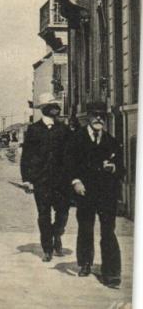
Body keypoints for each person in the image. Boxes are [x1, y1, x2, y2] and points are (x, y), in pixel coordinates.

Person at [66, 102, 124, 287]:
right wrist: (76, 181)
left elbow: (122, 169)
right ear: (88, 117)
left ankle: (112, 272)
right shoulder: (76, 139)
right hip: (85, 192)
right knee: (85, 228)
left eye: (102, 115)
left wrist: (115, 167)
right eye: (95, 115)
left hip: (106, 193)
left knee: (108, 231)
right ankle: (85, 263)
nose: (99, 118)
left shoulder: (111, 141)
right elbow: (68, 165)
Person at [20, 93, 71, 262]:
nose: (56, 107)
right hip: (41, 181)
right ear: (44, 109)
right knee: (44, 214)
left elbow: (70, 155)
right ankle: (47, 248)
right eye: (52, 105)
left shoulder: (63, 129)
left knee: (63, 212)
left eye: (56, 105)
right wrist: (26, 179)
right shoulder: (34, 130)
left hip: (61, 181)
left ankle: (57, 234)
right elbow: (26, 156)